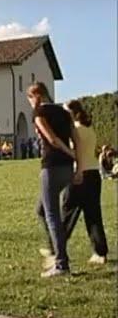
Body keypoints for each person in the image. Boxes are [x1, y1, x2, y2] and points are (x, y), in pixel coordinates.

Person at [44, 100, 108, 266]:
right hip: (94, 173)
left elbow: (74, 151)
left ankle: (55, 249)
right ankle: (100, 252)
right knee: (93, 214)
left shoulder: (75, 130)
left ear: (72, 113)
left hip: (79, 174)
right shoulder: (89, 129)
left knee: (67, 213)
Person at [29, 82, 81, 278]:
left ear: (36, 96)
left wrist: (70, 154)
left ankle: (61, 263)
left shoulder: (39, 113)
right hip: (67, 169)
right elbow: (77, 140)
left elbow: (52, 140)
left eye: (30, 98)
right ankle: (55, 250)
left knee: (52, 215)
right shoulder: (64, 112)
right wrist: (79, 166)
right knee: (42, 209)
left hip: (51, 167)